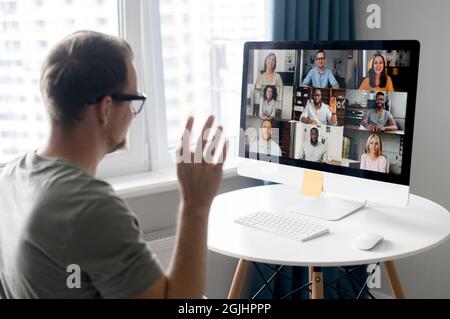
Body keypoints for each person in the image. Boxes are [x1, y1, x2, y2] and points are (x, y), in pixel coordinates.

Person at [0, 31, 228, 299]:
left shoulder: (10, 177)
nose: (133, 114)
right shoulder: (89, 207)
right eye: (133, 100)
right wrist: (195, 205)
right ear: (106, 108)